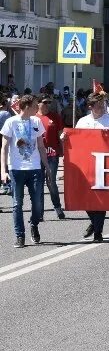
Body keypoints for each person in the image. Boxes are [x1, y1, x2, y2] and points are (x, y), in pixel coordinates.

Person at [0, 95, 47, 248]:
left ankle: (34, 224)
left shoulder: (37, 121)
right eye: (35, 105)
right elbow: (4, 148)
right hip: (16, 169)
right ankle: (20, 236)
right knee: (17, 204)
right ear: (27, 106)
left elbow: (40, 146)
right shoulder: (11, 122)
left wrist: (47, 166)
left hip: (34, 168)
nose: (37, 108)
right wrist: (3, 170)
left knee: (38, 203)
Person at [75, 93, 109, 242]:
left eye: (103, 105)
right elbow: (76, 141)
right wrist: (66, 138)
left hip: (105, 165)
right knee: (85, 198)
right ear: (90, 107)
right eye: (98, 106)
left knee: (101, 199)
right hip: (86, 164)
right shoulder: (82, 121)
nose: (101, 108)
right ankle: (94, 223)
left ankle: (98, 233)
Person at [36, 97, 65, 220]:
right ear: (38, 104)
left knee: (51, 182)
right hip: (36, 156)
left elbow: (61, 135)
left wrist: (63, 150)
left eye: (49, 102)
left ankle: (57, 208)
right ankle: (39, 213)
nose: (48, 105)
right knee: (38, 184)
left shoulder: (55, 117)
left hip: (52, 154)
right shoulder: (33, 118)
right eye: (45, 102)